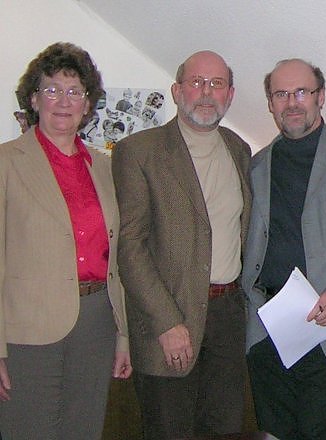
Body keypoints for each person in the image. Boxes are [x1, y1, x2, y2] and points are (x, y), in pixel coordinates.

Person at [112, 50, 252, 439]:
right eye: (196, 82)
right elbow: (131, 248)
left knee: (223, 430)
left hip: (227, 315)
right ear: (177, 91)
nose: (206, 92)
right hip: (168, 320)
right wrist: (168, 322)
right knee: (168, 431)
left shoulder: (239, 149)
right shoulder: (138, 152)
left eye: (217, 84)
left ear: (230, 94)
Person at [0, 41, 131, 439]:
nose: (63, 100)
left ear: (87, 103)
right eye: (52, 89)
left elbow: (117, 257)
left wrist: (123, 335)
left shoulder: (104, 167)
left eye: (75, 91)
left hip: (96, 321)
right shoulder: (6, 162)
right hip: (27, 326)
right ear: (34, 98)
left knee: (83, 430)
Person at [242, 58, 326, 440]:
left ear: (321, 96)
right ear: (270, 103)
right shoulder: (257, 164)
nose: (292, 103)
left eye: (301, 92)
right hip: (267, 326)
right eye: (281, 94)